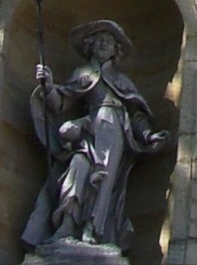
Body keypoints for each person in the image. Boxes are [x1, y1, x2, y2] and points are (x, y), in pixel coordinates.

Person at [22, 19, 169, 253]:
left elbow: (136, 114)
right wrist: (49, 87)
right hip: (88, 129)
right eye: (100, 39)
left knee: (105, 181)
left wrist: (149, 135)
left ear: (115, 50)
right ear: (90, 45)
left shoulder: (123, 81)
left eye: (109, 41)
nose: (104, 43)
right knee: (77, 169)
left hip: (114, 130)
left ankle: (94, 231)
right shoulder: (81, 74)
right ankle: (66, 226)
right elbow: (61, 103)